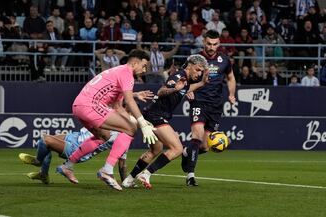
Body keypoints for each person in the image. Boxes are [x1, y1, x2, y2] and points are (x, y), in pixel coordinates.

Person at [57, 50, 158, 191]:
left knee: (103, 136)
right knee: (130, 129)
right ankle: (107, 170)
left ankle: (67, 166)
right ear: (135, 62)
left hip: (79, 105)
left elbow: (118, 107)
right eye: (144, 65)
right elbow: (128, 101)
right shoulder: (127, 72)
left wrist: (141, 122)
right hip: (90, 105)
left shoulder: (118, 71)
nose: (144, 69)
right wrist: (141, 123)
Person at [122, 54, 209, 189]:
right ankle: (146, 173)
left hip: (152, 114)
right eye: (197, 69)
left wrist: (202, 83)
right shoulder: (179, 76)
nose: (199, 73)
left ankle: (129, 179)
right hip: (157, 116)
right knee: (177, 148)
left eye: (201, 71)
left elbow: (186, 89)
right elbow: (162, 91)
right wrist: (175, 89)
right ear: (190, 66)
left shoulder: (185, 81)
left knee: (156, 149)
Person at [181, 30, 236, 186]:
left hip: (215, 106)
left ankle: (186, 152)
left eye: (215, 44)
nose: (212, 47)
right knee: (197, 136)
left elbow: (231, 78)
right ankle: (190, 175)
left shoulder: (224, 60)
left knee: (204, 146)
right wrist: (187, 91)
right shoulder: (195, 59)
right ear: (203, 42)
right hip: (198, 101)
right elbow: (181, 75)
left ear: (219, 43)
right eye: (209, 44)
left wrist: (231, 93)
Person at [18, 128, 125, 184]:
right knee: (41, 144)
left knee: (44, 141)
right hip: (75, 136)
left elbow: (122, 162)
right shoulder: (111, 114)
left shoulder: (122, 136)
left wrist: (125, 181)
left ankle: (38, 162)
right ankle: (43, 175)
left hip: (79, 148)